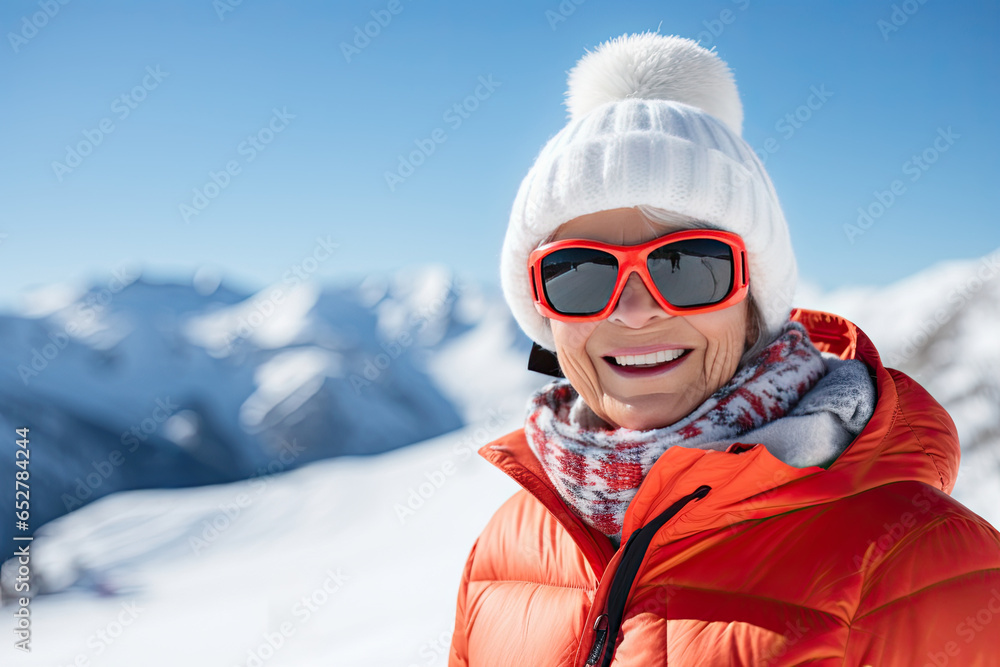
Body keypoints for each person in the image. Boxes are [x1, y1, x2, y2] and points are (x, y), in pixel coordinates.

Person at [447, 32, 1000, 666]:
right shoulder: (506, 548)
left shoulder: (929, 567)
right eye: (581, 274)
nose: (634, 310)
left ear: (754, 300)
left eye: (687, 266)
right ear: (541, 309)